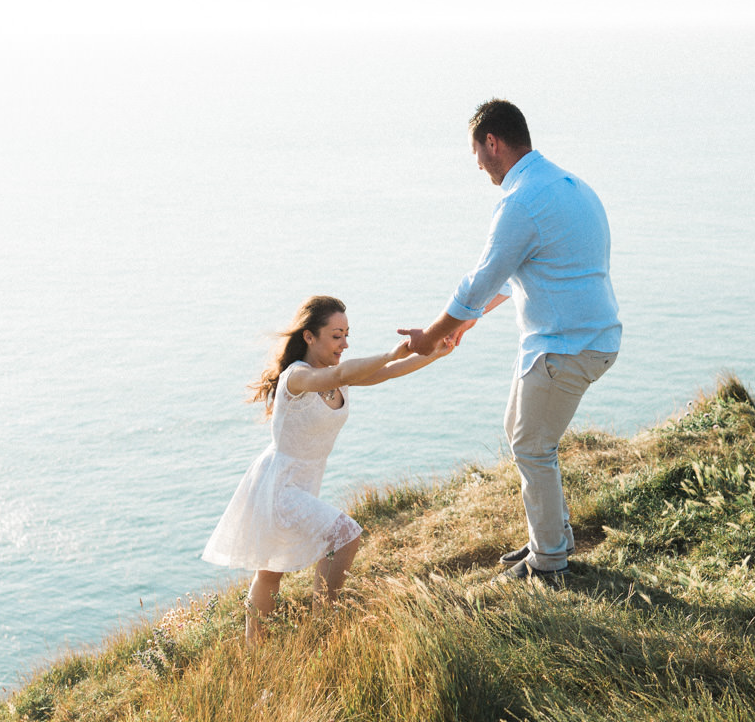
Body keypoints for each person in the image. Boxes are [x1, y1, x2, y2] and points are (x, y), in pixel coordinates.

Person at [399, 99, 621, 583]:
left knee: (532, 446)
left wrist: (430, 336)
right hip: (584, 337)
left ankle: (550, 561)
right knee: (521, 432)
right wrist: (466, 323)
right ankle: (551, 534)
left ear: (492, 143)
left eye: (476, 152)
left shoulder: (520, 201)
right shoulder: (568, 185)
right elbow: (522, 270)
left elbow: (478, 282)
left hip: (568, 345)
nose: (477, 164)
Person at [202, 295, 451, 642]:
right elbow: (346, 371)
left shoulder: (334, 375)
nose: (345, 343)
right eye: (336, 335)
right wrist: (395, 351)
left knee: (271, 572)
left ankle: (257, 652)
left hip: (303, 484)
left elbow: (385, 374)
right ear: (309, 336)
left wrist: (435, 353)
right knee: (344, 535)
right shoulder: (298, 377)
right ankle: (322, 631)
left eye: (347, 334)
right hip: (280, 486)